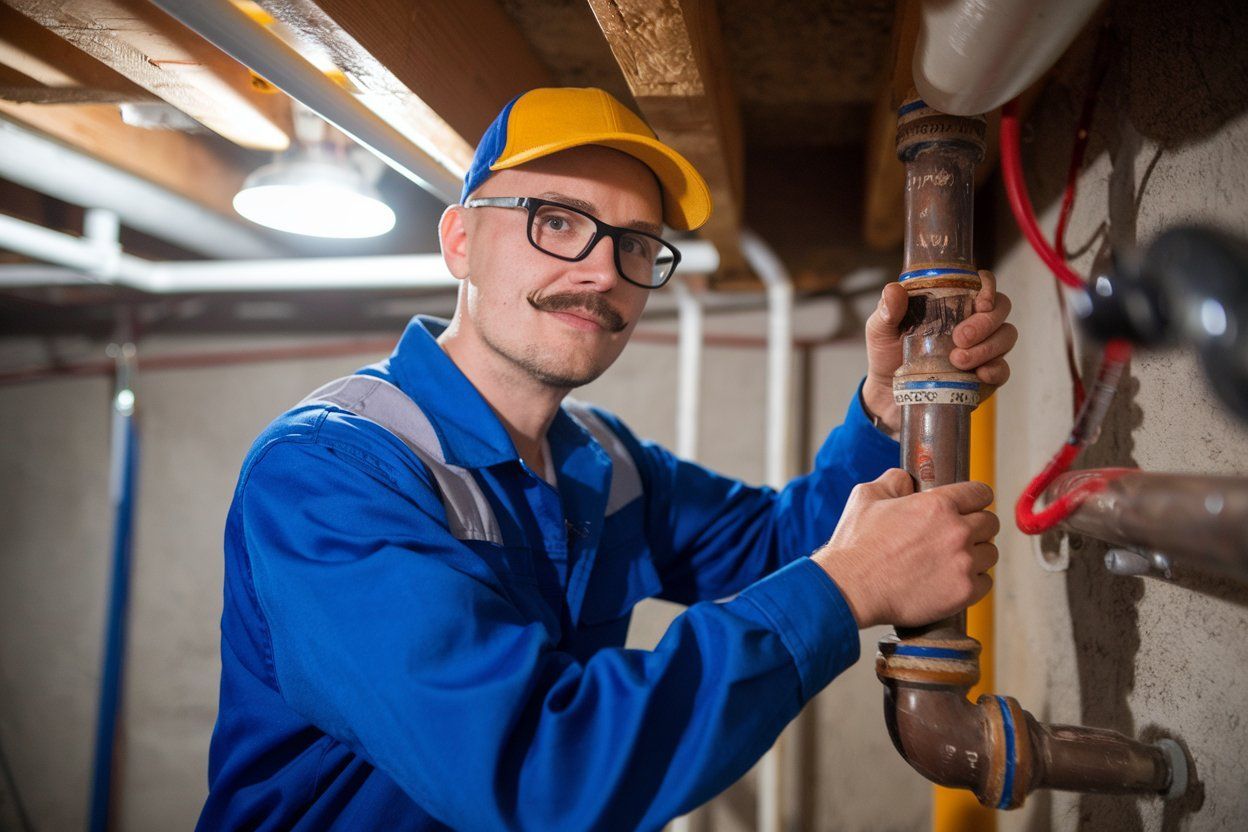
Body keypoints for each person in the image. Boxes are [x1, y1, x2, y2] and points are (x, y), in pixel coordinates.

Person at [197, 87, 1016, 831]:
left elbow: (785, 543)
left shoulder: (603, 465)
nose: (601, 272)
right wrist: (845, 589)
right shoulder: (329, 475)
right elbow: (538, 769)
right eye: (557, 221)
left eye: (636, 243)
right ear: (460, 241)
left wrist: (886, 408)